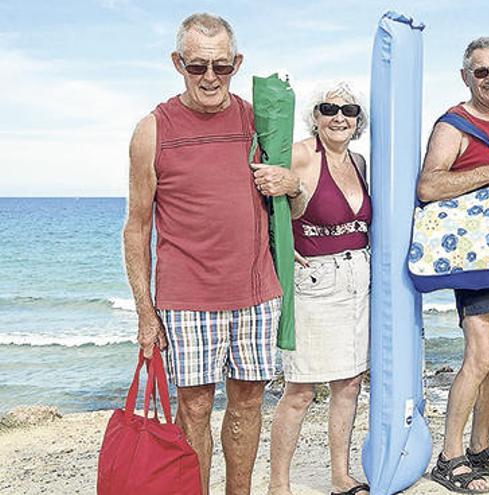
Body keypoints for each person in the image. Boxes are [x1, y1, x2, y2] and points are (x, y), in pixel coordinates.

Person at [122, 13, 301, 495]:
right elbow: (136, 226)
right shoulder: (152, 130)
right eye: (196, 65)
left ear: (236, 63)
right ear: (177, 62)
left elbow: (293, 196)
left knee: (247, 405)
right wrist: (145, 312)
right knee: (194, 409)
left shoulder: (256, 122)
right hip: (185, 299)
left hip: (257, 295)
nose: (209, 77)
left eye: (221, 67)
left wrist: (291, 183)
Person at [417, 37, 489, 494]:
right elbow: (427, 187)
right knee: (481, 354)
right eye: (481, 71)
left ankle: (480, 448)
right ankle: (449, 457)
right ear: (466, 76)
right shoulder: (454, 124)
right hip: (476, 259)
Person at [268, 82, 371, 495]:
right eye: (329, 108)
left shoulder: (360, 162)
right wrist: (276, 244)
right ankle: (279, 485)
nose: (339, 116)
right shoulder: (300, 154)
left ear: (358, 120)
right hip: (316, 282)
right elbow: (256, 194)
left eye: (349, 110)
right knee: (300, 389)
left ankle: (340, 477)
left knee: (348, 383)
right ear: (315, 116)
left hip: (358, 279)